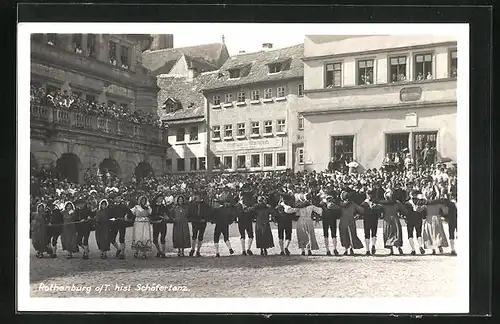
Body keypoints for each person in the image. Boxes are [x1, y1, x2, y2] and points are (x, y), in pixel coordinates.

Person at [379, 189, 407, 255]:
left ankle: (391, 250)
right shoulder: (397, 202)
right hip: (395, 218)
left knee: (388, 233)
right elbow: (404, 210)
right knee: (396, 233)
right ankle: (399, 247)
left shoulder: (384, 204)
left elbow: (377, 209)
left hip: (387, 219)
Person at [422, 190, 449, 254]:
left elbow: (419, 210)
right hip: (437, 218)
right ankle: (439, 245)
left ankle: (433, 249)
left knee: (430, 233)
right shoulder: (439, 203)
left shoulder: (426, 204)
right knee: (438, 233)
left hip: (429, 218)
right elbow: (445, 211)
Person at [337, 191, 364, 255]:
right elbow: (361, 210)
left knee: (344, 235)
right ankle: (351, 248)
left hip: (343, 221)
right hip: (351, 220)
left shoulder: (340, 204)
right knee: (352, 234)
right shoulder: (352, 204)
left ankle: (346, 250)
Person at [360, 190, 383, 255]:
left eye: (370, 194)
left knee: (368, 234)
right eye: (369, 194)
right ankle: (371, 246)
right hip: (372, 219)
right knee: (372, 233)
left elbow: (361, 211)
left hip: (368, 219)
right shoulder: (375, 202)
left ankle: (368, 249)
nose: (369, 195)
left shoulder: (364, 203)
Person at [188, 193, 211, 257]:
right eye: (196, 197)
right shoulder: (192, 204)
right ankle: (192, 249)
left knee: (200, 236)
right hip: (195, 222)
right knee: (194, 235)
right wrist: (192, 219)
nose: (197, 198)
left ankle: (198, 250)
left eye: (198, 196)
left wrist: (205, 219)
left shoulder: (205, 205)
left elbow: (209, 212)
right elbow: (190, 213)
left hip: (202, 222)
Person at [236, 189, 255, 256]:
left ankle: (244, 250)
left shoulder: (238, 204)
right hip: (246, 221)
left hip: (242, 221)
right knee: (249, 235)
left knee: (245, 236)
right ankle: (247, 249)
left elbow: (239, 214)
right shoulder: (242, 204)